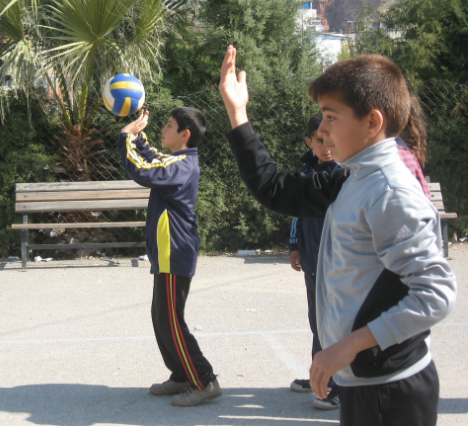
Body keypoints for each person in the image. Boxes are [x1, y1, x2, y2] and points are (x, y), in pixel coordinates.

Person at [219, 45, 456, 426]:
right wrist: (237, 112)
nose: (322, 129)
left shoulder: (389, 192)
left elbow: (436, 295)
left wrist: (349, 345)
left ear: (372, 123)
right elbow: (277, 189)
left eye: (331, 117)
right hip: (365, 381)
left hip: (390, 391)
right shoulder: (352, 175)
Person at [118, 107, 221, 407]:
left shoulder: (182, 167)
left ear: (184, 135)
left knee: (172, 322)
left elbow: (142, 170)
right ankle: (181, 375)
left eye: (169, 125)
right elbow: (149, 156)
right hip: (167, 254)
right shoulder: (176, 160)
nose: (164, 129)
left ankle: (204, 380)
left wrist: (125, 138)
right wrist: (138, 135)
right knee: (161, 318)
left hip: (175, 252)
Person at [288, 112, 341, 410]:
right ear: (310, 142)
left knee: (336, 324)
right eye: (319, 140)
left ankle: (338, 384)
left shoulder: (343, 172)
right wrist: (294, 244)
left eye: (329, 138)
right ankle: (320, 373)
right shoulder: (306, 172)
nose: (326, 145)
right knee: (318, 321)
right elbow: (297, 210)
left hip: (337, 263)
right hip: (312, 260)